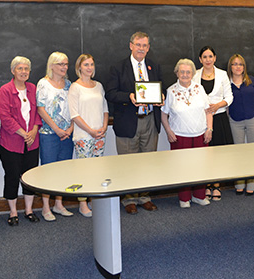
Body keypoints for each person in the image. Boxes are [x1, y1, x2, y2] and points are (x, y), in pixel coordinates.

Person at [105, 31, 161, 215]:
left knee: (147, 162)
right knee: (128, 164)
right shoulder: (118, 67)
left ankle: (145, 197)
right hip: (128, 122)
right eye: (138, 45)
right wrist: (129, 97)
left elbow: (161, 88)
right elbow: (111, 93)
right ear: (131, 45)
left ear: (148, 48)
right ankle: (128, 199)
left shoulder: (153, 66)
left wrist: (161, 96)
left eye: (145, 46)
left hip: (149, 121)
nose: (141, 49)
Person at [0, 56, 43, 226]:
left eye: (26, 69)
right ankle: (13, 211)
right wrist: (24, 133)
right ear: (13, 71)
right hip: (10, 142)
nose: (23, 72)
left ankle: (29, 210)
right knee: (12, 176)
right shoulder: (5, 90)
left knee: (30, 176)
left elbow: (38, 112)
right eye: (20, 69)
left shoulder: (32, 88)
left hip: (32, 141)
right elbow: (5, 116)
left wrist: (33, 131)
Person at [161, 59, 213, 208]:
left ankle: (199, 196)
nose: (185, 75)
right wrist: (169, 132)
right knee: (182, 168)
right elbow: (164, 115)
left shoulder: (200, 88)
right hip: (179, 136)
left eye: (188, 72)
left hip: (200, 135)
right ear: (177, 73)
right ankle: (184, 199)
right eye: (182, 72)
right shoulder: (171, 91)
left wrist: (209, 129)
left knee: (201, 167)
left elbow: (208, 111)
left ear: (192, 73)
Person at [36, 52, 77, 220]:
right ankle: (46, 207)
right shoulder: (43, 84)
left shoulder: (70, 85)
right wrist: (56, 129)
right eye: (60, 64)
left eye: (66, 64)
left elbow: (76, 109)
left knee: (63, 170)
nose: (64, 67)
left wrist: (70, 128)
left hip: (67, 135)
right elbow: (41, 109)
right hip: (49, 134)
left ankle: (59, 204)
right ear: (51, 65)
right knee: (48, 170)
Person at [68, 54, 109, 217]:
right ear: (79, 68)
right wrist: (90, 131)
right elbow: (74, 115)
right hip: (83, 136)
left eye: (91, 64)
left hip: (100, 135)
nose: (89, 68)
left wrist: (104, 127)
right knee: (83, 170)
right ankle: (83, 203)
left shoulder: (98, 86)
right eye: (86, 65)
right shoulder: (75, 87)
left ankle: (94, 200)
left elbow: (105, 109)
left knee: (96, 170)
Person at [192, 46, 233, 201]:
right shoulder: (194, 75)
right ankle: (206, 184)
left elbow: (229, 97)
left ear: (215, 58)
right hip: (201, 120)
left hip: (220, 118)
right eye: (204, 57)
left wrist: (218, 105)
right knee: (205, 155)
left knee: (219, 154)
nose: (208, 60)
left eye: (210, 56)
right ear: (200, 59)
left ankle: (216, 186)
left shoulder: (223, 75)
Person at [227, 54, 254, 195]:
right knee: (238, 154)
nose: (237, 67)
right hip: (235, 121)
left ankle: (252, 185)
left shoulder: (252, 81)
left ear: (244, 67)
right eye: (235, 64)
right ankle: (239, 184)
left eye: (240, 64)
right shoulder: (226, 83)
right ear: (230, 67)